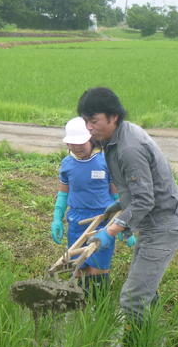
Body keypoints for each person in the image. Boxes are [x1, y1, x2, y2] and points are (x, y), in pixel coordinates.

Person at [77, 87, 178, 324]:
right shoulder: (115, 137)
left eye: (93, 121)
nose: (89, 128)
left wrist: (110, 231)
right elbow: (138, 189)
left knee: (133, 299)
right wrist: (120, 204)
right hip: (151, 224)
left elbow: (145, 200)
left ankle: (135, 346)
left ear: (113, 116)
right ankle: (153, 335)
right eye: (85, 121)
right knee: (145, 291)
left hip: (163, 227)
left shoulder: (129, 148)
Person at [51, 116, 133, 294]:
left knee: (97, 268)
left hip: (102, 219)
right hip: (76, 220)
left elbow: (117, 195)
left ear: (91, 139)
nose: (77, 148)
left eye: (81, 143)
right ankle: (79, 304)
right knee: (78, 267)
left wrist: (124, 223)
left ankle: (97, 304)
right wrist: (57, 218)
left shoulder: (106, 161)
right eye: (73, 144)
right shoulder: (67, 164)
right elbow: (63, 194)